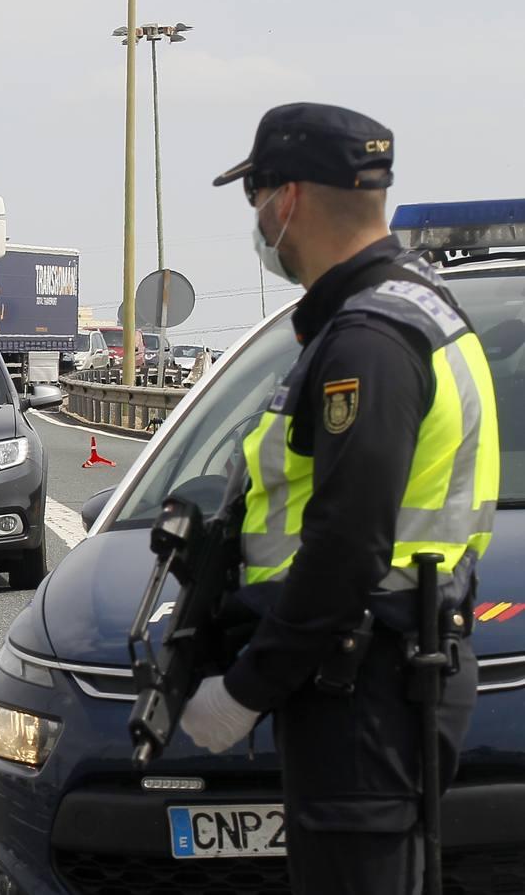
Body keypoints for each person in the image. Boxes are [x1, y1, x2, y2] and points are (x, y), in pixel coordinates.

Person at [185, 103, 495, 894]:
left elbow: (348, 543)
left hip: (364, 683)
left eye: (254, 197)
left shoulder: (369, 339)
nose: (256, 220)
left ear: (286, 199)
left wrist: (249, 688)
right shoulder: (413, 304)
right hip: (385, 668)